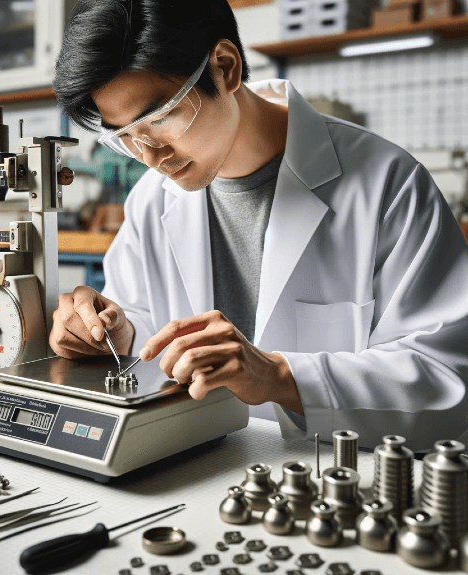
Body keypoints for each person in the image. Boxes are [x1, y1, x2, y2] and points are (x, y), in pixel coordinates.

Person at [50, 0, 468, 451]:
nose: (150, 156)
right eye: (125, 137)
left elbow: (447, 384)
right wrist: (116, 333)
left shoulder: (388, 184)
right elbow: (147, 330)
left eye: (162, 118)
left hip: (337, 478)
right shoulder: (151, 200)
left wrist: (278, 376)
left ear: (225, 67)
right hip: (200, 469)